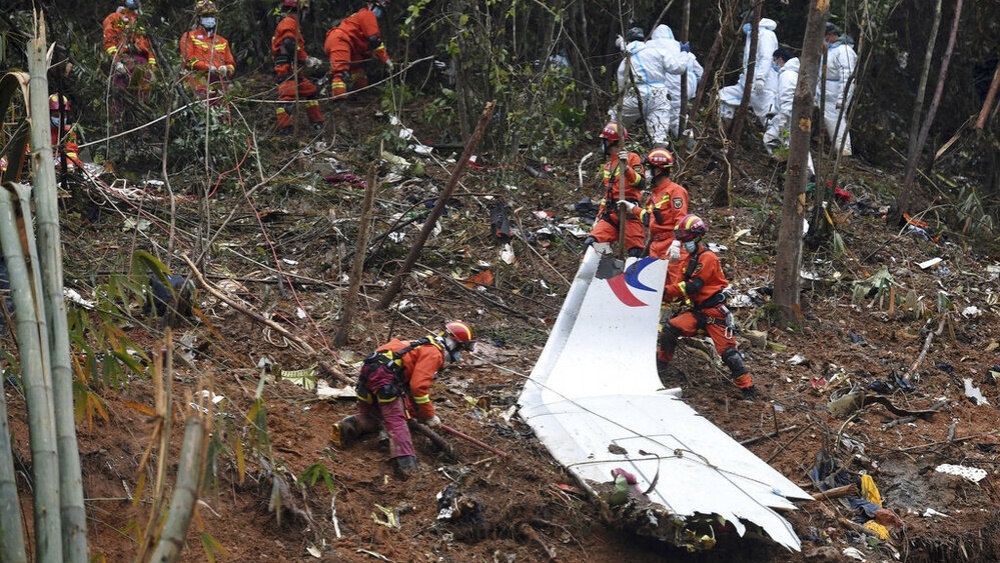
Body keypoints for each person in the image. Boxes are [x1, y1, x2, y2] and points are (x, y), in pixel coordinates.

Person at [330, 320, 476, 478]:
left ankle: (349, 426)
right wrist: (430, 416)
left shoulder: (422, 345)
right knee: (396, 420)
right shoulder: (434, 353)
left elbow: (409, 390)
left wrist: (415, 414)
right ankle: (407, 469)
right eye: (460, 348)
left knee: (374, 416)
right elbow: (418, 387)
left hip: (370, 371)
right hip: (384, 377)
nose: (458, 355)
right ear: (452, 343)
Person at [658, 215, 755, 399]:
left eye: (686, 239)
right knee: (670, 329)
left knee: (729, 354)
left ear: (696, 237)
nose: (683, 243)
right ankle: (661, 364)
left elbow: (692, 286)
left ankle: (747, 388)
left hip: (713, 313)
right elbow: (678, 285)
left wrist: (664, 292)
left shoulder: (708, 258)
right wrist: (672, 264)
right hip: (697, 312)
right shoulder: (687, 260)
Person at [610, 27, 698, 144]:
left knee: (616, 123)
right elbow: (679, 68)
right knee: (659, 135)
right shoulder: (657, 52)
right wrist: (684, 53)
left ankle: (608, 150)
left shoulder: (626, 60)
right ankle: (664, 158)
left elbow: (622, 85)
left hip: (636, 95)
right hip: (660, 94)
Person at [582, 122, 646, 257]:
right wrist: (598, 217)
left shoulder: (632, 158)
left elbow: (640, 184)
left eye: (604, 141)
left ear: (611, 141)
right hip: (610, 214)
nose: (602, 145)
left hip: (629, 212)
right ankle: (602, 269)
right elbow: (608, 194)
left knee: (636, 253)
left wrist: (627, 169)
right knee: (592, 244)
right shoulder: (608, 166)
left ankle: (627, 274)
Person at [271, 0, 325, 133]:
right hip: (286, 67)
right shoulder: (289, 23)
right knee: (287, 98)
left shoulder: (293, 24)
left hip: (294, 68)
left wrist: (308, 59)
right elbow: (288, 44)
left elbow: (295, 46)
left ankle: (316, 122)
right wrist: (305, 59)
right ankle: (285, 129)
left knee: (310, 91)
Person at [324, 0, 393, 99]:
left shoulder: (361, 15)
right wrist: (386, 60)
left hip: (348, 44)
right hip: (341, 41)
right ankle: (339, 98)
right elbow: (374, 40)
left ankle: (361, 92)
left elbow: (364, 44)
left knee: (357, 67)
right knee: (340, 71)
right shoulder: (368, 14)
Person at [763, 47, 816, 175]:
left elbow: (787, 97)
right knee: (770, 138)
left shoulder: (786, 75)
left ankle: (807, 174)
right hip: (789, 114)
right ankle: (784, 163)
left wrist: (784, 118)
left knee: (795, 144)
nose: (774, 64)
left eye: (775, 60)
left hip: (790, 116)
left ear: (780, 59)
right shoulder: (793, 73)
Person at [718, 18, 779, 126]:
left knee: (768, 119)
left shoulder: (766, 35)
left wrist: (761, 78)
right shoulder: (752, 35)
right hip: (747, 83)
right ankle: (723, 132)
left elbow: (766, 58)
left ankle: (776, 141)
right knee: (725, 95)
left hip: (763, 86)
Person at [647, 24, 703, 139]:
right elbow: (700, 72)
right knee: (679, 115)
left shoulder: (649, 47)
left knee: (666, 115)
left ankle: (670, 143)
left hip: (666, 86)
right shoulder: (680, 47)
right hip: (688, 85)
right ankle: (688, 143)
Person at [179, 0, 236, 101]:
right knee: (201, 111)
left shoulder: (222, 41)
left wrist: (226, 69)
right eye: (206, 16)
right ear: (199, 18)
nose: (209, 19)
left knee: (221, 114)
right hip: (197, 83)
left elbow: (231, 64)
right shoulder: (189, 36)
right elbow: (188, 60)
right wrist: (207, 67)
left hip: (219, 84)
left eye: (212, 16)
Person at [639, 147, 687, 259]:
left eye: (648, 168)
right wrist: (632, 209)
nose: (645, 172)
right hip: (655, 246)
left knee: (673, 276)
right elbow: (650, 217)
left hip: (670, 246)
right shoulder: (655, 194)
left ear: (657, 171)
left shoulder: (676, 191)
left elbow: (680, 219)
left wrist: (677, 242)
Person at [103, 0, 157, 99]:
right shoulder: (114, 17)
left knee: (142, 97)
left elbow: (149, 47)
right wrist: (117, 63)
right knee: (120, 96)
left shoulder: (141, 22)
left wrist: (152, 67)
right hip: (125, 61)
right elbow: (109, 43)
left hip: (143, 64)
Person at [818, 23, 857, 157]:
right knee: (829, 121)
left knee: (836, 122)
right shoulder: (830, 50)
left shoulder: (844, 51)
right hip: (825, 91)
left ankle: (844, 152)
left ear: (831, 35)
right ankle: (834, 150)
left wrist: (843, 97)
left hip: (835, 94)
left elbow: (847, 76)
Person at [49, 93, 84, 171]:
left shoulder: (68, 132)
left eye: (63, 116)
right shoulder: (39, 130)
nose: (60, 119)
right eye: (56, 116)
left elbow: (71, 151)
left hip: (60, 163)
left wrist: (69, 164)